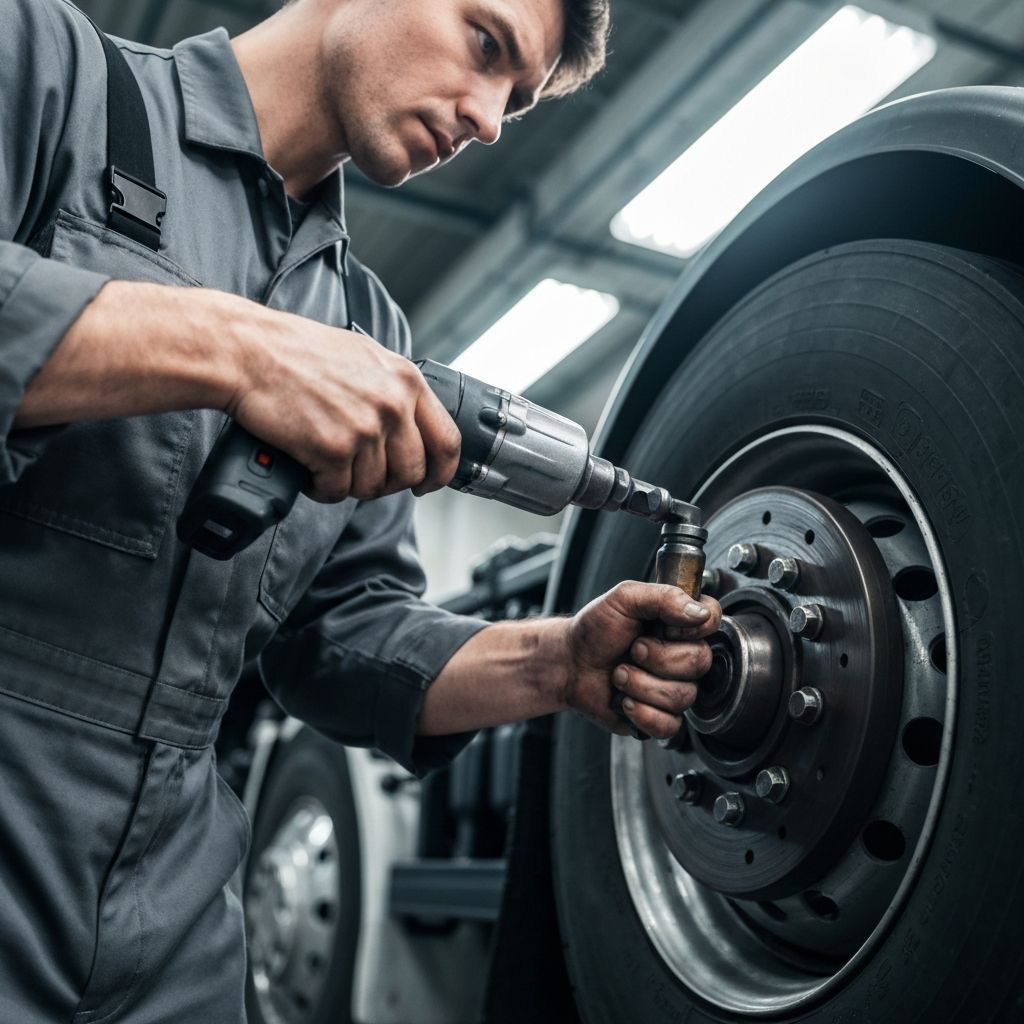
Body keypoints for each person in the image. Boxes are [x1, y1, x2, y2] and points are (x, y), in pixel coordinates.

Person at [0, 0, 720, 1019]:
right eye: (484, 45)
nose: (484, 118)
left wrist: (557, 664)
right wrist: (236, 349)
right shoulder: (48, 71)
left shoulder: (365, 326)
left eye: (514, 103)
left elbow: (341, 636)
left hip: (174, 915)